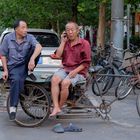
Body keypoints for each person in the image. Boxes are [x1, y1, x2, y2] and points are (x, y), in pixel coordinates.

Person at [0, 19, 42, 120]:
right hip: (13, 66)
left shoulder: (29, 37)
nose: (25, 30)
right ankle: (13, 106)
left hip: (25, 63)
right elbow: (3, 55)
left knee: (36, 50)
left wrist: (32, 59)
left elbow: (39, 47)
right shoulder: (7, 38)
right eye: (23, 28)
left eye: (26, 27)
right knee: (17, 80)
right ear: (16, 29)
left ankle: (28, 71)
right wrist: (5, 70)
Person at [50, 21, 91, 117]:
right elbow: (58, 55)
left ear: (77, 31)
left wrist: (75, 71)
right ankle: (56, 106)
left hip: (79, 72)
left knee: (65, 83)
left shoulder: (84, 43)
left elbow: (86, 62)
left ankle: (59, 107)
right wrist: (63, 42)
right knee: (54, 79)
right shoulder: (66, 43)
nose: (70, 32)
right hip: (66, 69)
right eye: (68, 30)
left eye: (72, 30)